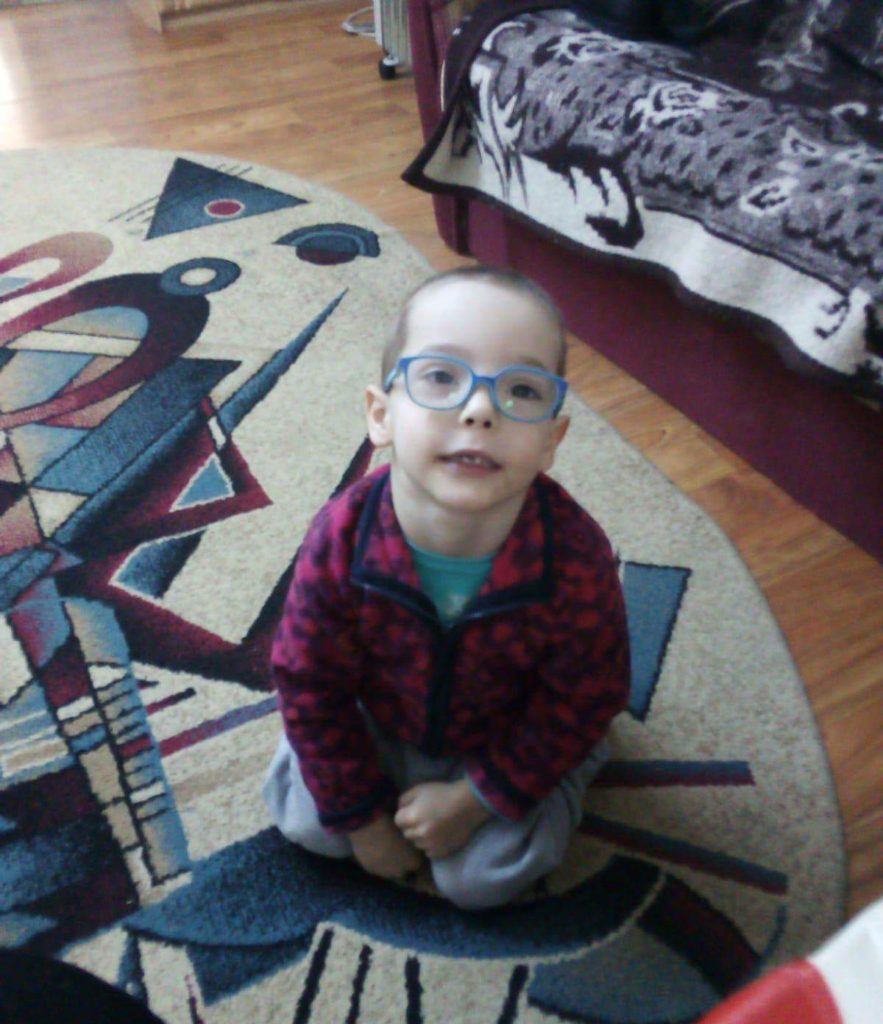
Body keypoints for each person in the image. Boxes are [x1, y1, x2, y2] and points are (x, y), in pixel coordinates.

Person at [263, 265, 630, 910]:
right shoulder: (340, 536)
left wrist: (477, 798)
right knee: (312, 824)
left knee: (482, 880)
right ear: (381, 415)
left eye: (521, 390)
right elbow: (307, 679)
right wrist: (364, 823)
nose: (480, 410)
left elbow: (589, 692)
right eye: (440, 377)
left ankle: (567, 777)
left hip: (504, 731)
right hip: (385, 715)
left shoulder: (575, 556)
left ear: (551, 441)